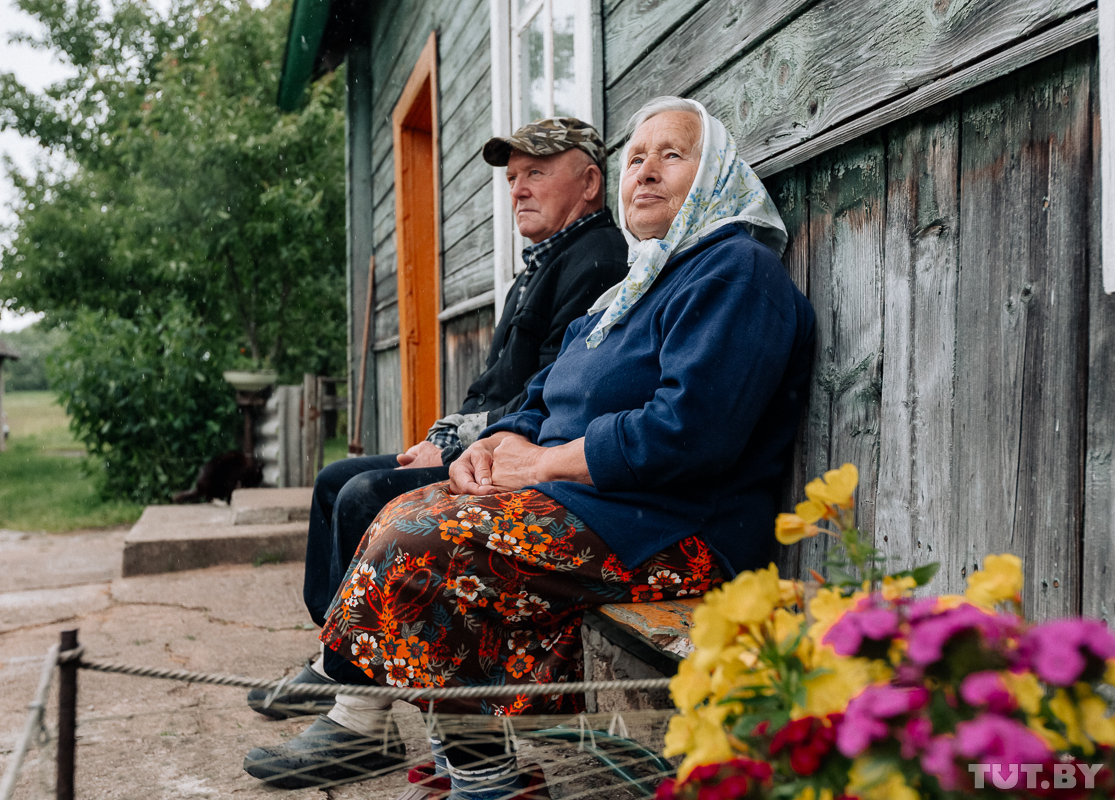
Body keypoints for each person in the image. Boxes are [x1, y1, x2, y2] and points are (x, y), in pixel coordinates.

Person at [244, 96, 816, 797]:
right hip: (602, 507)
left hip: (676, 527)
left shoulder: (734, 272)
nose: (646, 171)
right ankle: (477, 771)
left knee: (417, 536)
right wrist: (501, 443)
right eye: (636, 156)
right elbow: (547, 389)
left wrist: (542, 462)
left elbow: (687, 435)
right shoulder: (637, 288)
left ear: (717, 172)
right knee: (418, 511)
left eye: (672, 155)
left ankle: (436, 755)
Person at [244, 119, 628, 719]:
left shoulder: (599, 261)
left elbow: (548, 393)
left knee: (364, 494)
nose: (518, 189)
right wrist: (441, 438)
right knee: (332, 482)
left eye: (536, 173)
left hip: (523, 461)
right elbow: (491, 390)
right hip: (483, 442)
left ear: (589, 182)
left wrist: (449, 451)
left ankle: (354, 686)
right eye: (512, 178)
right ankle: (336, 657)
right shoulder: (540, 264)